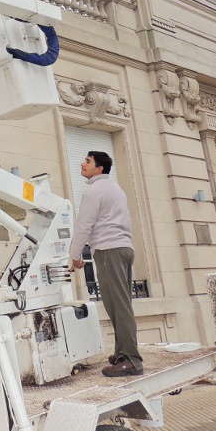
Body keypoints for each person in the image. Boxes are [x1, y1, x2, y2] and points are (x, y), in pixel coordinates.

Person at [70, 150, 143, 377]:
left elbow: (84, 225)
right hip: (123, 248)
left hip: (109, 250)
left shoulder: (93, 191)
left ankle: (131, 360)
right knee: (119, 303)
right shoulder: (115, 188)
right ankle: (122, 353)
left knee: (118, 305)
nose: (82, 164)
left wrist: (74, 254)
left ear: (99, 169)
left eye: (88, 161)